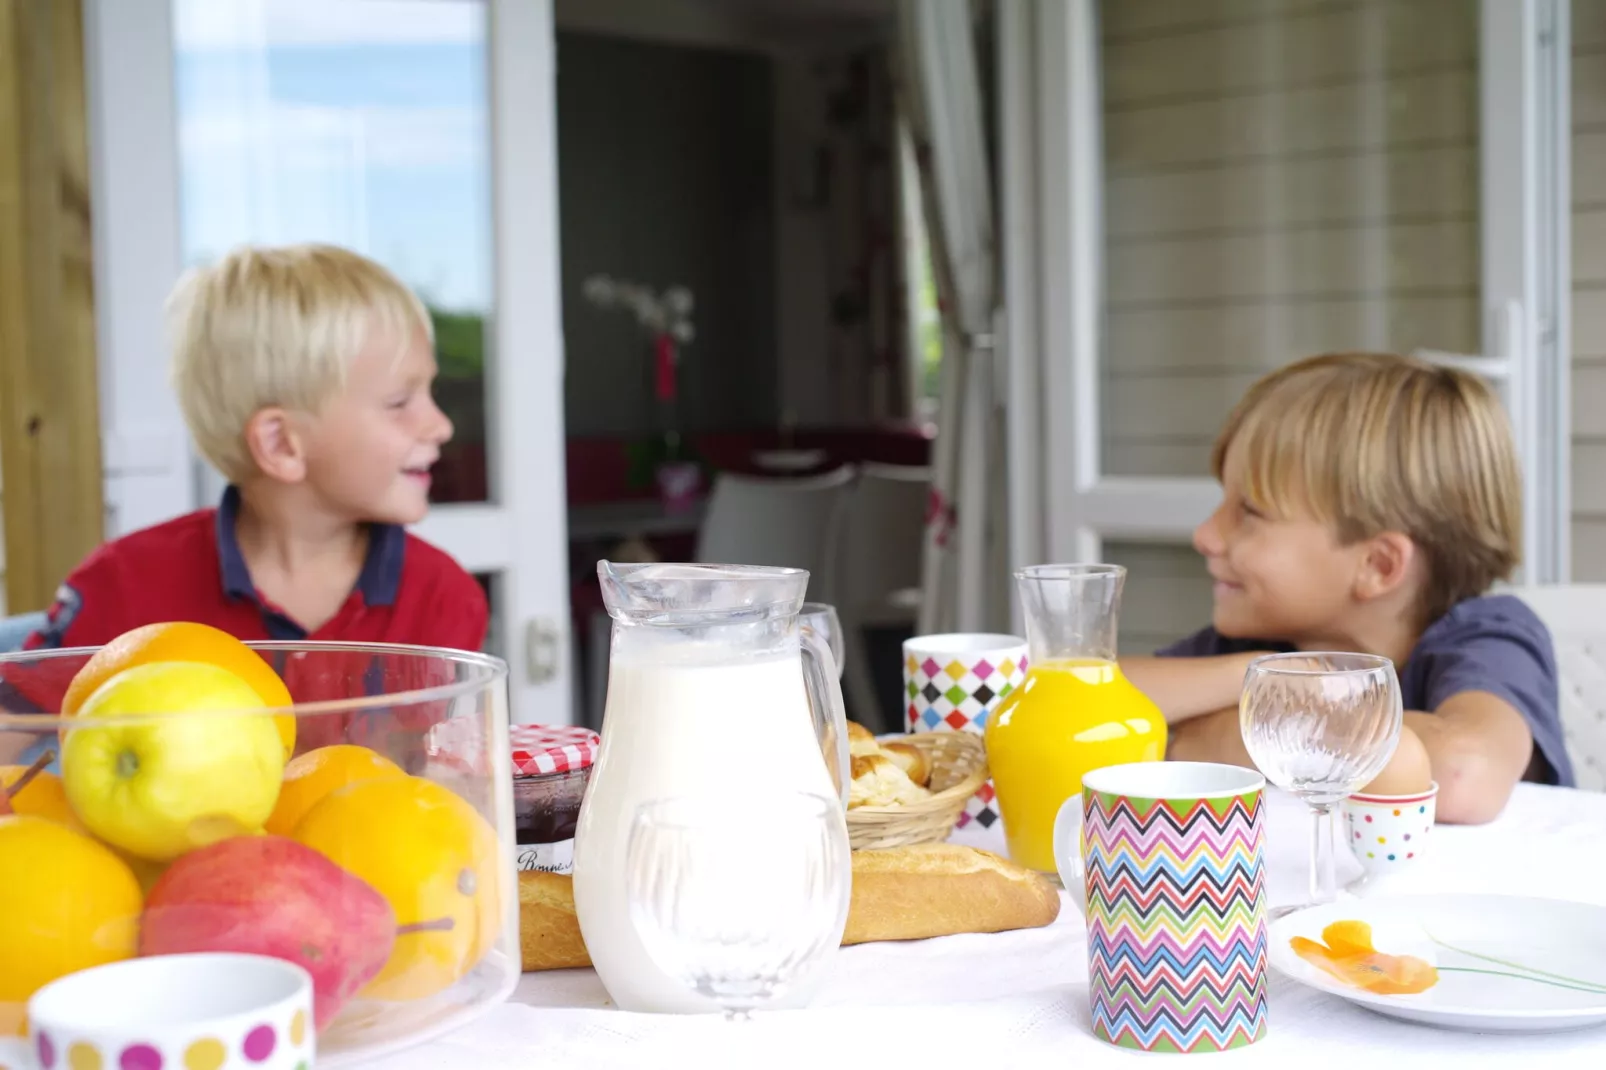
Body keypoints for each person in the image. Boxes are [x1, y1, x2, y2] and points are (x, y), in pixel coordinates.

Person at [11, 244, 487, 751]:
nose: (441, 424)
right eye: (399, 402)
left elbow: (449, 788)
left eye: (429, 393)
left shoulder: (444, 599)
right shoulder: (121, 586)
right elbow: (11, 726)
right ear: (281, 444)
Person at [1121, 352, 1574, 825]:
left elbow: (1461, 774)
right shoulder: (1259, 648)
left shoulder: (1491, 638)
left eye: (1250, 513)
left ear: (1378, 565)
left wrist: (1198, 736)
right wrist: (1254, 674)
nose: (1206, 535)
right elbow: (1077, 700)